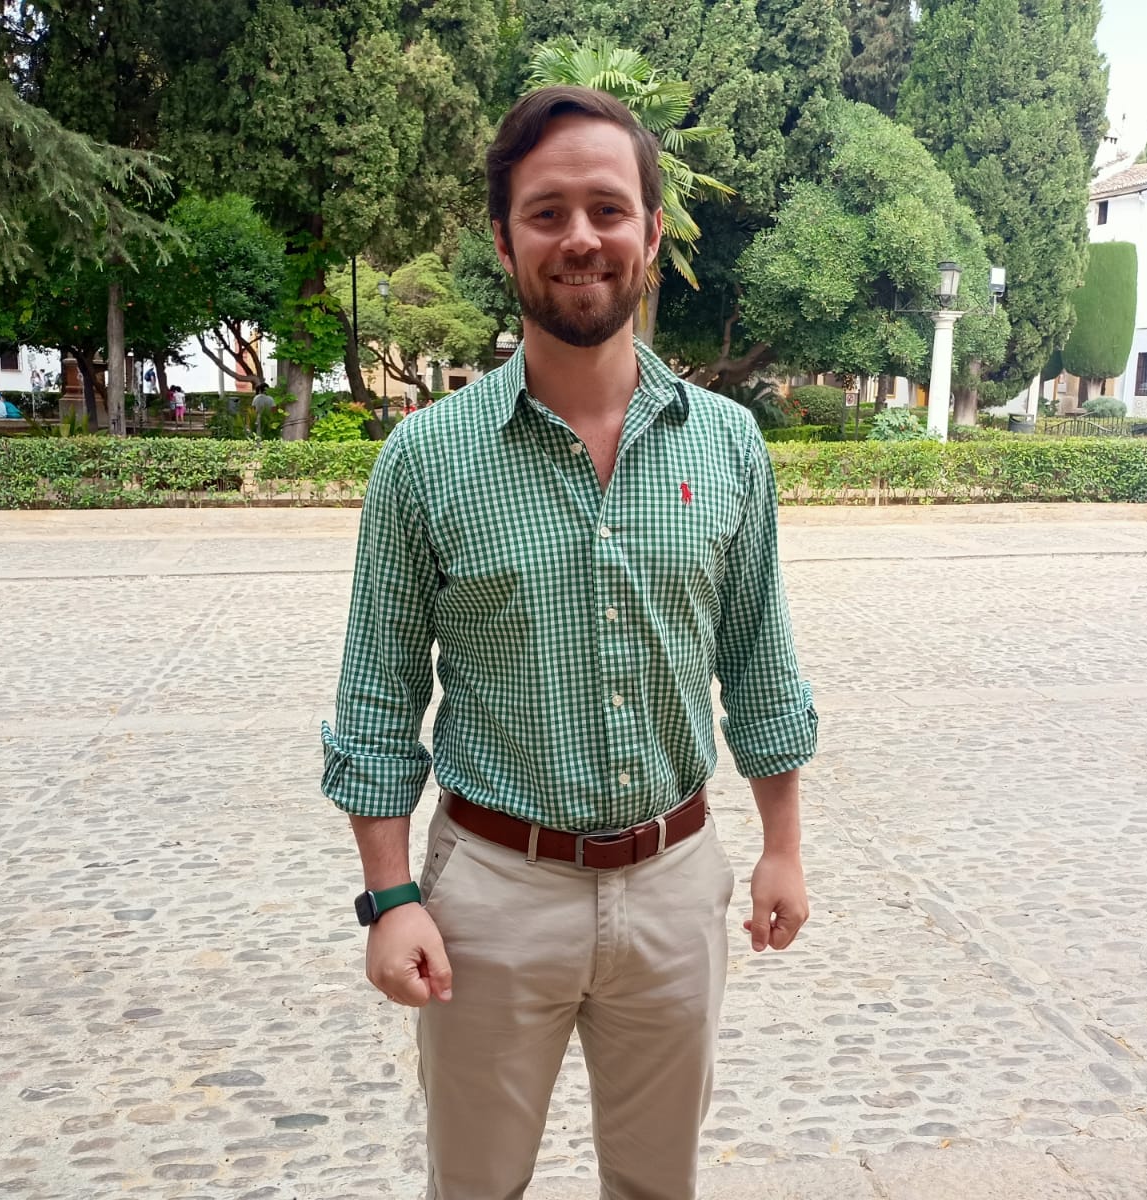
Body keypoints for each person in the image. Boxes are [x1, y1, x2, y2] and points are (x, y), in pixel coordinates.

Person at [320, 85, 817, 1200]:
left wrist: (781, 842)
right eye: (546, 213)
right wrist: (390, 897)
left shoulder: (730, 447)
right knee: (477, 1186)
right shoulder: (426, 460)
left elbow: (760, 661)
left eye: (607, 207)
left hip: (676, 881)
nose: (580, 236)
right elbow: (376, 699)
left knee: (658, 1185)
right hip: (492, 894)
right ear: (504, 241)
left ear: (649, 233)